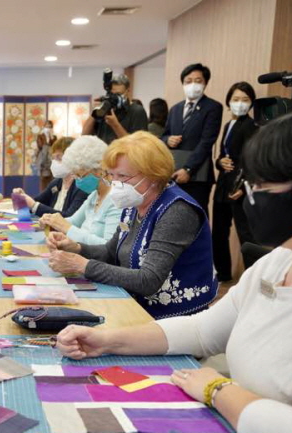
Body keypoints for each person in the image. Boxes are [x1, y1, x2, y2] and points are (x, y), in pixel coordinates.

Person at [53, 104, 292, 433]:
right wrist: (107, 340)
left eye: (259, 187)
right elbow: (205, 330)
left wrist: (216, 389)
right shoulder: (276, 264)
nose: (246, 196)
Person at [46, 131, 217, 319]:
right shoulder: (135, 202)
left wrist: (84, 266)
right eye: (112, 175)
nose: (116, 183)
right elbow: (111, 252)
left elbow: (148, 280)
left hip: (173, 319)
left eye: (123, 176)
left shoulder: (177, 211)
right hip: (134, 304)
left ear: (154, 175)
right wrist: (76, 247)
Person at [161, 63, 223, 214]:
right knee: (173, 215)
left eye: (198, 80)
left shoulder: (213, 107)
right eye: (188, 81)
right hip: (174, 174)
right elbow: (164, 135)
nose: (193, 85)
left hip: (197, 175)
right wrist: (167, 139)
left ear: (205, 83)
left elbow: (207, 142)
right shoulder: (175, 108)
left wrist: (188, 169)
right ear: (182, 83)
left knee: (196, 215)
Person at [40, 136, 122, 245]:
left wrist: (66, 227)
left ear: (99, 170)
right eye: (75, 175)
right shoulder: (94, 195)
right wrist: (51, 222)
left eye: (80, 176)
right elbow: (74, 221)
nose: (77, 181)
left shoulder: (116, 200)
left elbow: (109, 248)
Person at [212, 82, 257, 281]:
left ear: (251, 103)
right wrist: (219, 161)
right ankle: (223, 273)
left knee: (245, 234)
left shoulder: (252, 126)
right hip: (223, 185)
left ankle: (253, 276)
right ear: (229, 102)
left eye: (245, 100)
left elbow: (253, 160)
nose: (240, 103)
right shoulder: (228, 124)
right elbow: (222, 155)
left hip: (240, 187)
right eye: (236, 99)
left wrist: (244, 188)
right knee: (219, 233)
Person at [12, 137, 88, 218]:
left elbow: (70, 217)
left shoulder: (82, 186)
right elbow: (37, 202)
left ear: (73, 158)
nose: (54, 163)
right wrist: (23, 198)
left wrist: (34, 205)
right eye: (53, 158)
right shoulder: (56, 183)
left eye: (59, 158)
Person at [82, 73, 148, 145]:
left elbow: (137, 145)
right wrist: (95, 112)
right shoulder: (106, 108)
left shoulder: (137, 111)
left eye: (118, 94)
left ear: (128, 91)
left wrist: (115, 125)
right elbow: (84, 135)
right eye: (112, 94)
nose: (115, 97)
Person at [35, 120, 58, 190]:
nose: (48, 128)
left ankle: (52, 195)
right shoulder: (40, 136)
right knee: (44, 178)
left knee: (52, 178)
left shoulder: (54, 137)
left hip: (51, 159)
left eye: (50, 126)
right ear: (44, 126)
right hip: (43, 159)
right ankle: (43, 193)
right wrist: (46, 139)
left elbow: (55, 146)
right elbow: (40, 146)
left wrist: (51, 138)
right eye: (47, 126)